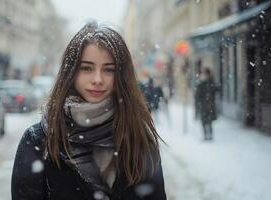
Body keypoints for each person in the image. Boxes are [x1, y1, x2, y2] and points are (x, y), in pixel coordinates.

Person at [11, 22, 167, 200]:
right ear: (71, 72)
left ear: (121, 76)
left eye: (109, 70)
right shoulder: (39, 140)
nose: (98, 79)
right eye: (87, 68)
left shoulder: (138, 137)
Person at [194, 67, 217, 140]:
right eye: (203, 74)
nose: (204, 75)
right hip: (203, 106)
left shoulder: (211, 83)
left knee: (209, 122)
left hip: (210, 106)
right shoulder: (200, 84)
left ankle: (210, 135)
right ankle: (205, 135)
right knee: (203, 121)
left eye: (205, 74)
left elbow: (216, 89)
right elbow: (197, 96)